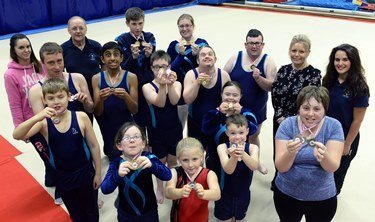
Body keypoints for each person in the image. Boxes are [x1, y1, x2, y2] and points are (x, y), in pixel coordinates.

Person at [13, 78, 101, 222]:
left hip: (86, 174)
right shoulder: (43, 123)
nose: (56, 102)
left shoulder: (81, 117)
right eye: (51, 98)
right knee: (76, 214)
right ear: (44, 100)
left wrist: (97, 173)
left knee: (92, 213)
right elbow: (17, 135)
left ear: (68, 96)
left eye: (60, 96)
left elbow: (94, 146)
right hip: (63, 177)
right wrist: (37, 116)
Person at [273, 85, 344, 222]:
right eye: (306, 108)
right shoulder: (287, 125)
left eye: (317, 109)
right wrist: (290, 153)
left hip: (322, 196)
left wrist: (324, 157)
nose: (310, 114)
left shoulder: (333, 126)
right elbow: (281, 167)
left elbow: (332, 167)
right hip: (287, 194)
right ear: (299, 108)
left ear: (325, 110)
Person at [3, 33, 58, 200]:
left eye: (28, 46)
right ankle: (59, 188)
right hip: (33, 123)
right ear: (13, 50)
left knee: (56, 151)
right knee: (48, 156)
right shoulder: (10, 75)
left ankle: (51, 179)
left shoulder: (39, 65)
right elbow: (15, 104)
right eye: (21, 47)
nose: (26, 50)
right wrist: (21, 128)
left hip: (50, 117)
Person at [271, 34, 321, 186]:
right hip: (279, 120)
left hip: (301, 122)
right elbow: (275, 94)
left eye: (301, 52)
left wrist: (291, 119)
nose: (297, 55)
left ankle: (293, 181)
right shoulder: (283, 70)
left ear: (308, 53)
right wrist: (280, 115)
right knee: (279, 151)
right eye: (294, 50)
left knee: (297, 151)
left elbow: (311, 102)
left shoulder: (314, 74)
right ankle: (279, 176)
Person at [322, 44, 370, 195]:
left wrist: (346, 144)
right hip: (325, 135)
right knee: (322, 171)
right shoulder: (328, 81)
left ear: (353, 61)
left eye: (345, 60)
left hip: (345, 139)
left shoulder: (359, 87)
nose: (340, 63)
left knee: (337, 176)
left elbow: (357, 121)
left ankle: (330, 201)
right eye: (337, 59)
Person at [101, 122, 171, 222]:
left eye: (136, 137)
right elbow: (105, 189)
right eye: (127, 138)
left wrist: (153, 165)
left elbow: (168, 175)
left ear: (143, 143)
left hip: (149, 211)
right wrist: (117, 174)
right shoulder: (116, 163)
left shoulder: (149, 158)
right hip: (126, 213)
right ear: (119, 145)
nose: (132, 140)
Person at [224, 29, 277, 156]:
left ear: (262, 45)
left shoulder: (268, 61)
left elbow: (272, 87)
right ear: (245, 44)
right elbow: (223, 78)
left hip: (256, 109)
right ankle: (232, 162)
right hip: (233, 108)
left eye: (257, 43)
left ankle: (253, 163)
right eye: (251, 43)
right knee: (232, 135)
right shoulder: (235, 57)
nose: (254, 46)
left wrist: (259, 79)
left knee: (252, 136)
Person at [142, 50, 182, 204]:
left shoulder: (176, 83)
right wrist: (162, 84)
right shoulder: (148, 87)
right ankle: (159, 186)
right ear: (152, 68)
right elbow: (160, 102)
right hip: (156, 130)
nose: (161, 70)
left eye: (164, 66)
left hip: (174, 128)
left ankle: (172, 185)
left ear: (170, 66)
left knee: (172, 160)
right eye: (157, 67)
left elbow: (173, 101)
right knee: (159, 161)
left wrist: (170, 84)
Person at [92, 41, 138, 161]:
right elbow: (97, 112)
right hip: (108, 129)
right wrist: (101, 99)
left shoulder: (131, 77)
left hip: (126, 127)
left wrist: (126, 97)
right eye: (108, 55)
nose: (112, 58)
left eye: (116, 54)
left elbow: (135, 109)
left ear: (121, 57)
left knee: (130, 160)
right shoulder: (97, 78)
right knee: (114, 162)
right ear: (102, 59)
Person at [202, 81, 258, 177]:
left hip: (241, 157)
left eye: (235, 95)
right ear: (221, 95)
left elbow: (253, 130)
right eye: (227, 94)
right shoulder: (212, 113)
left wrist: (240, 113)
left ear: (240, 96)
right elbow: (205, 129)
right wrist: (220, 114)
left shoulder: (247, 113)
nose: (231, 98)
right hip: (215, 158)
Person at [115, 7, 156, 129]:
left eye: (140, 23)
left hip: (149, 84)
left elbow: (154, 65)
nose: (137, 27)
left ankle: (152, 145)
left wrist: (149, 56)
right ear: (127, 23)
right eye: (133, 24)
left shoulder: (150, 37)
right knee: (137, 122)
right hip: (132, 87)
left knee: (152, 119)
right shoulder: (121, 40)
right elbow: (123, 68)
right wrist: (132, 57)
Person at [183, 46, 230, 148]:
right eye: (203, 55)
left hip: (217, 123)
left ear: (215, 59)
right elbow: (187, 99)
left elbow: (229, 100)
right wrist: (197, 83)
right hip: (196, 123)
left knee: (215, 158)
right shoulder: (191, 75)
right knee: (196, 156)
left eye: (210, 54)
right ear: (197, 60)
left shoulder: (224, 75)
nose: (207, 57)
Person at [29, 42, 94, 116]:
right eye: (51, 63)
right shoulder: (36, 91)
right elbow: (41, 123)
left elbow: (90, 109)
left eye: (59, 61)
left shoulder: (78, 79)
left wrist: (86, 102)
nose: (57, 67)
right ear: (43, 63)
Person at [167, 14, 209, 127]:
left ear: (193, 26)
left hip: (199, 87)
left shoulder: (202, 44)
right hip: (180, 88)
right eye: (181, 26)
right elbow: (170, 70)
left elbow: (209, 67)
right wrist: (180, 55)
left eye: (187, 25)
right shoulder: (173, 45)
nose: (184, 29)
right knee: (180, 125)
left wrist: (198, 56)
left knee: (198, 125)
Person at [165, 137, 221, 222]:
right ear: (178, 159)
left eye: (195, 159)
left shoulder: (209, 174)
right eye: (185, 160)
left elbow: (217, 194)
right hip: (179, 218)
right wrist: (180, 192)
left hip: (201, 218)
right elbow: (168, 192)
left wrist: (203, 193)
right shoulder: (174, 172)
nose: (190, 165)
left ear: (201, 157)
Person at [216, 114, 259, 221]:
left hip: (243, 193)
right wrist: (234, 157)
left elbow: (254, 166)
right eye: (233, 133)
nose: (237, 137)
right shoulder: (222, 147)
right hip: (225, 192)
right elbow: (228, 170)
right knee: (224, 219)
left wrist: (243, 154)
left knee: (239, 218)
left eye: (241, 133)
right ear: (227, 133)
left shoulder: (253, 148)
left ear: (247, 131)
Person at [61, 16, 103, 121]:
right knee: (84, 132)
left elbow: (105, 69)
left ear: (86, 28)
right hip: (79, 98)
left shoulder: (96, 46)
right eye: (74, 28)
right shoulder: (63, 50)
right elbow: (61, 75)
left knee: (108, 130)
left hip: (99, 95)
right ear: (68, 30)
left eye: (81, 28)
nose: (78, 31)